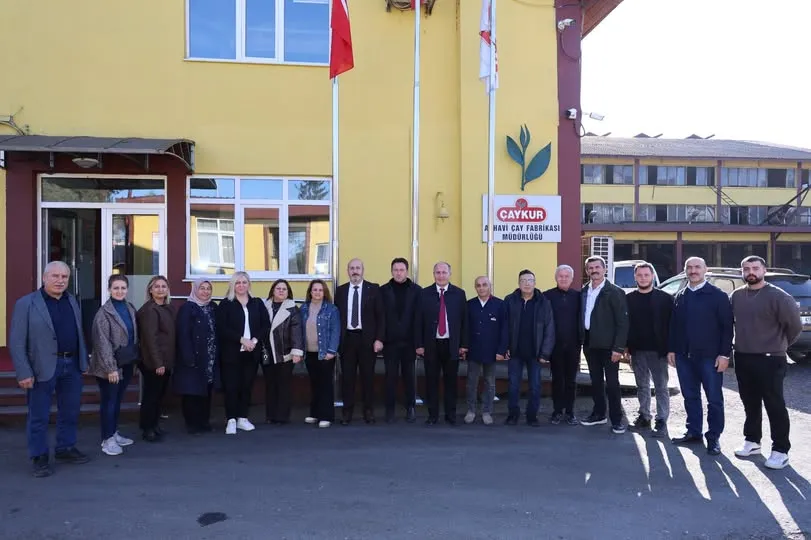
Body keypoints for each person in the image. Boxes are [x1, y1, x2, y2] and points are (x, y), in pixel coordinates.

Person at [9, 261, 90, 477]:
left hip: (71, 365)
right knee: (39, 415)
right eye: (55, 276)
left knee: (70, 412)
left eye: (64, 277)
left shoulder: (72, 301)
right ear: (44, 278)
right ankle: (39, 456)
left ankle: (65, 448)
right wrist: (24, 371)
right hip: (40, 368)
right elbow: (16, 341)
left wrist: (83, 361)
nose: (60, 280)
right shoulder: (26, 303)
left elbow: (78, 332)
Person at [731, 256, 802, 470]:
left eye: (755, 268)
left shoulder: (779, 297)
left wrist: (778, 345)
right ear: (742, 272)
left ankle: (780, 450)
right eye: (746, 269)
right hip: (743, 356)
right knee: (749, 402)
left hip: (771, 359)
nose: (750, 272)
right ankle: (752, 441)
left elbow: (795, 327)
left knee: (775, 405)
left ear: (764, 270)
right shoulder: (736, 295)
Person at [668, 256, 733, 455]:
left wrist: (724, 355)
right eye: (690, 267)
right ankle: (694, 432)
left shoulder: (718, 296)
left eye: (697, 267)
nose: (693, 270)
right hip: (684, 357)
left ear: (706, 270)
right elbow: (674, 326)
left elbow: (727, 328)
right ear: (685, 270)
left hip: (709, 357)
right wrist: (672, 349)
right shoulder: (680, 295)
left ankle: (713, 437)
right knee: (690, 396)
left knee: (714, 399)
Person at [580, 255, 630, 434]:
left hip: (609, 348)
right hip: (590, 344)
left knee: (612, 384)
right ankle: (599, 414)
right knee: (595, 382)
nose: (594, 270)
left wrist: (618, 348)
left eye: (597, 267)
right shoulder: (584, 291)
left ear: (604, 269)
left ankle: (616, 420)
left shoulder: (615, 292)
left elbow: (622, 323)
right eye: (590, 268)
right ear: (587, 271)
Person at [216, 271, 271, 435]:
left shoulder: (257, 303)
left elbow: (265, 325)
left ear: (249, 284)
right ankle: (231, 419)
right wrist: (241, 340)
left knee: (246, 386)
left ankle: (242, 418)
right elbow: (222, 328)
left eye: (244, 282)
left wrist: (253, 341)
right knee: (231, 387)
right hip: (232, 353)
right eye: (238, 283)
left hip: (251, 352)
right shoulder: (226, 304)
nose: (241, 285)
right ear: (233, 285)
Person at [415, 262, 468, 425]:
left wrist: (463, 345)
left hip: (451, 345)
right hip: (431, 345)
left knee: (451, 381)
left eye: (444, 272)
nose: (441, 275)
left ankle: (450, 414)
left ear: (449, 274)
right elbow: (418, 321)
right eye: (437, 272)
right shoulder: (425, 294)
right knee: (431, 381)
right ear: (433, 274)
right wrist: (419, 344)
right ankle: (433, 415)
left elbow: (464, 321)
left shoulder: (459, 294)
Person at [90, 275, 138, 455]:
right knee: (109, 402)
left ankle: (113, 432)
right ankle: (107, 439)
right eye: (116, 288)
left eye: (123, 288)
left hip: (125, 362)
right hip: (108, 367)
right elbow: (101, 343)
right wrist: (111, 368)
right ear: (109, 290)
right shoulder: (103, 313)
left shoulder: (129, 308)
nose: (120, 291)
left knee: (117, 401)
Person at [625, 262, 674, 438]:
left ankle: (661, 420)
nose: (643, 278)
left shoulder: (665, 298)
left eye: (646, 275)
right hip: (637, 350)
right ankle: (644, 417)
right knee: (642, 386)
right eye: (639, 275)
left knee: (661, 386)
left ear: (652, 276)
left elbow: (671, 326)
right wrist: (626, 346)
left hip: (658, 350)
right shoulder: (629, 299)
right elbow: (626, 325)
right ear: (635, 277)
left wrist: (671, 349)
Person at [334, 258, 385, 424]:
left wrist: (379, 339)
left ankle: (368, 411)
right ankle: (347, 412)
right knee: (347, 378)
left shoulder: (373, 289)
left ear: (363, 270)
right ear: (347, 271)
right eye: (351, 268)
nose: (355, 271)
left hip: (367, 341)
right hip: (347, 340)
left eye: (358, 268)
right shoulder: (340, 291)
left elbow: (381, 317)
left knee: (367, 378)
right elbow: (337, 318)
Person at [504, 269, 555, 427]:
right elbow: (504, 326)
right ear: (519, 283)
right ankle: (513, 414)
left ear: (535, 282)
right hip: (515, 352)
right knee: (513, 385)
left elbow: (549, 328)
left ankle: (532, 416)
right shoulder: (510, 300)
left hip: (536, 353)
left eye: (530, 280)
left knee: (535, 385)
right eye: (523, 280)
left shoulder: (543, 302)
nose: (527, 283)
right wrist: (504, 347)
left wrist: (545, 352)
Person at [174, 279, 219, 434]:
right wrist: (188, 356)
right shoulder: (187, 308)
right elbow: (183, 333)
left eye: (208, 289)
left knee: (206, 390)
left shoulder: (213, 307)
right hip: (193, 356)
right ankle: (192, 424)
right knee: (192, 392)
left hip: (210, 356)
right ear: (195, 290)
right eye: (202, 288)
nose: (205, 291)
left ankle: (204, 422)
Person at [380, 257, 421, 423]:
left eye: (401, 270)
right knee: (390, 377)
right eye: (395, 270)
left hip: (409, 342)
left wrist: (419, 343)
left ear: (407, 271)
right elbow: (380, 317)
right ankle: (389, 410)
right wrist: (380, 339)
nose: (398, 273)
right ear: (391, 271)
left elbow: (419, 318)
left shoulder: (417, 291)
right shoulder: (383, 290)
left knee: (409, 377)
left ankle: (410, 408)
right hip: (390, 342)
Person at [137, 275, 176, 442]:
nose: (160, 289)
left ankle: (154, 425)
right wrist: (158, 363)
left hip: (166, 361)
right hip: (153, 362)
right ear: (150, 290)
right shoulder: (149, 310)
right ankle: (147, 428)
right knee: (151, 397)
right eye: (157, 286)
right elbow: (150, 339)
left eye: (163, 286)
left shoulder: (167, 308)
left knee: (159, 396)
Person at [464, 276, 508, 425]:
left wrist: (501, 350)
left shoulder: (499, 305)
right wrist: (464, 347)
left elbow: (504, 329)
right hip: (474, 350)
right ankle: (471, 410)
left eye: (484, 285)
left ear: (490, 286)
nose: (481, 288)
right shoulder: (469, 305)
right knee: (471, 382)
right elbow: (465, 328)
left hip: (492, 351)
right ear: (475, 288)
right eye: (478, 285)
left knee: (490, 382)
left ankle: (487, 411)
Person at [544, 265, 582, 426]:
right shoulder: (547, 296)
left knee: (571, 380)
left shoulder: (578, 296)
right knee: (557, 380)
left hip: (573, 345)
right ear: (556, 278)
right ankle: (557, 411)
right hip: (555, 345)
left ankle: (570, 412)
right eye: (561, 276)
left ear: (572, 279)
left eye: (567, 276)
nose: (564, 278)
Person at [300, 279, 341, 428]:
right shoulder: (303, 308)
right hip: (309, 353)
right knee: (314, 384)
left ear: (324, 293)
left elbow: (336, 331)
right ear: (310, 292)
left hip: (325, 353)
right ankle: (315, 413)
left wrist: (331, 351)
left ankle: (326, 416)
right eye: (314, 290)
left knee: (325, 385)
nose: (317, 292)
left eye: (320, 290)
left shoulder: (332, 309)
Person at [262, 279, 304, 425]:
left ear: (288, 292)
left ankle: (282, 416)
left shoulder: (293, 309)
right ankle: (270, 415)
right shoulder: (264, 306)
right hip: (267, 353)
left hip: (285, 354)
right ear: (273, 290)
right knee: (270, 385)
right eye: (278, 288)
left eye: (284, 289)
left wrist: (296, 352)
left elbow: (297, 331)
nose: (281, 291)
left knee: (283, 386)